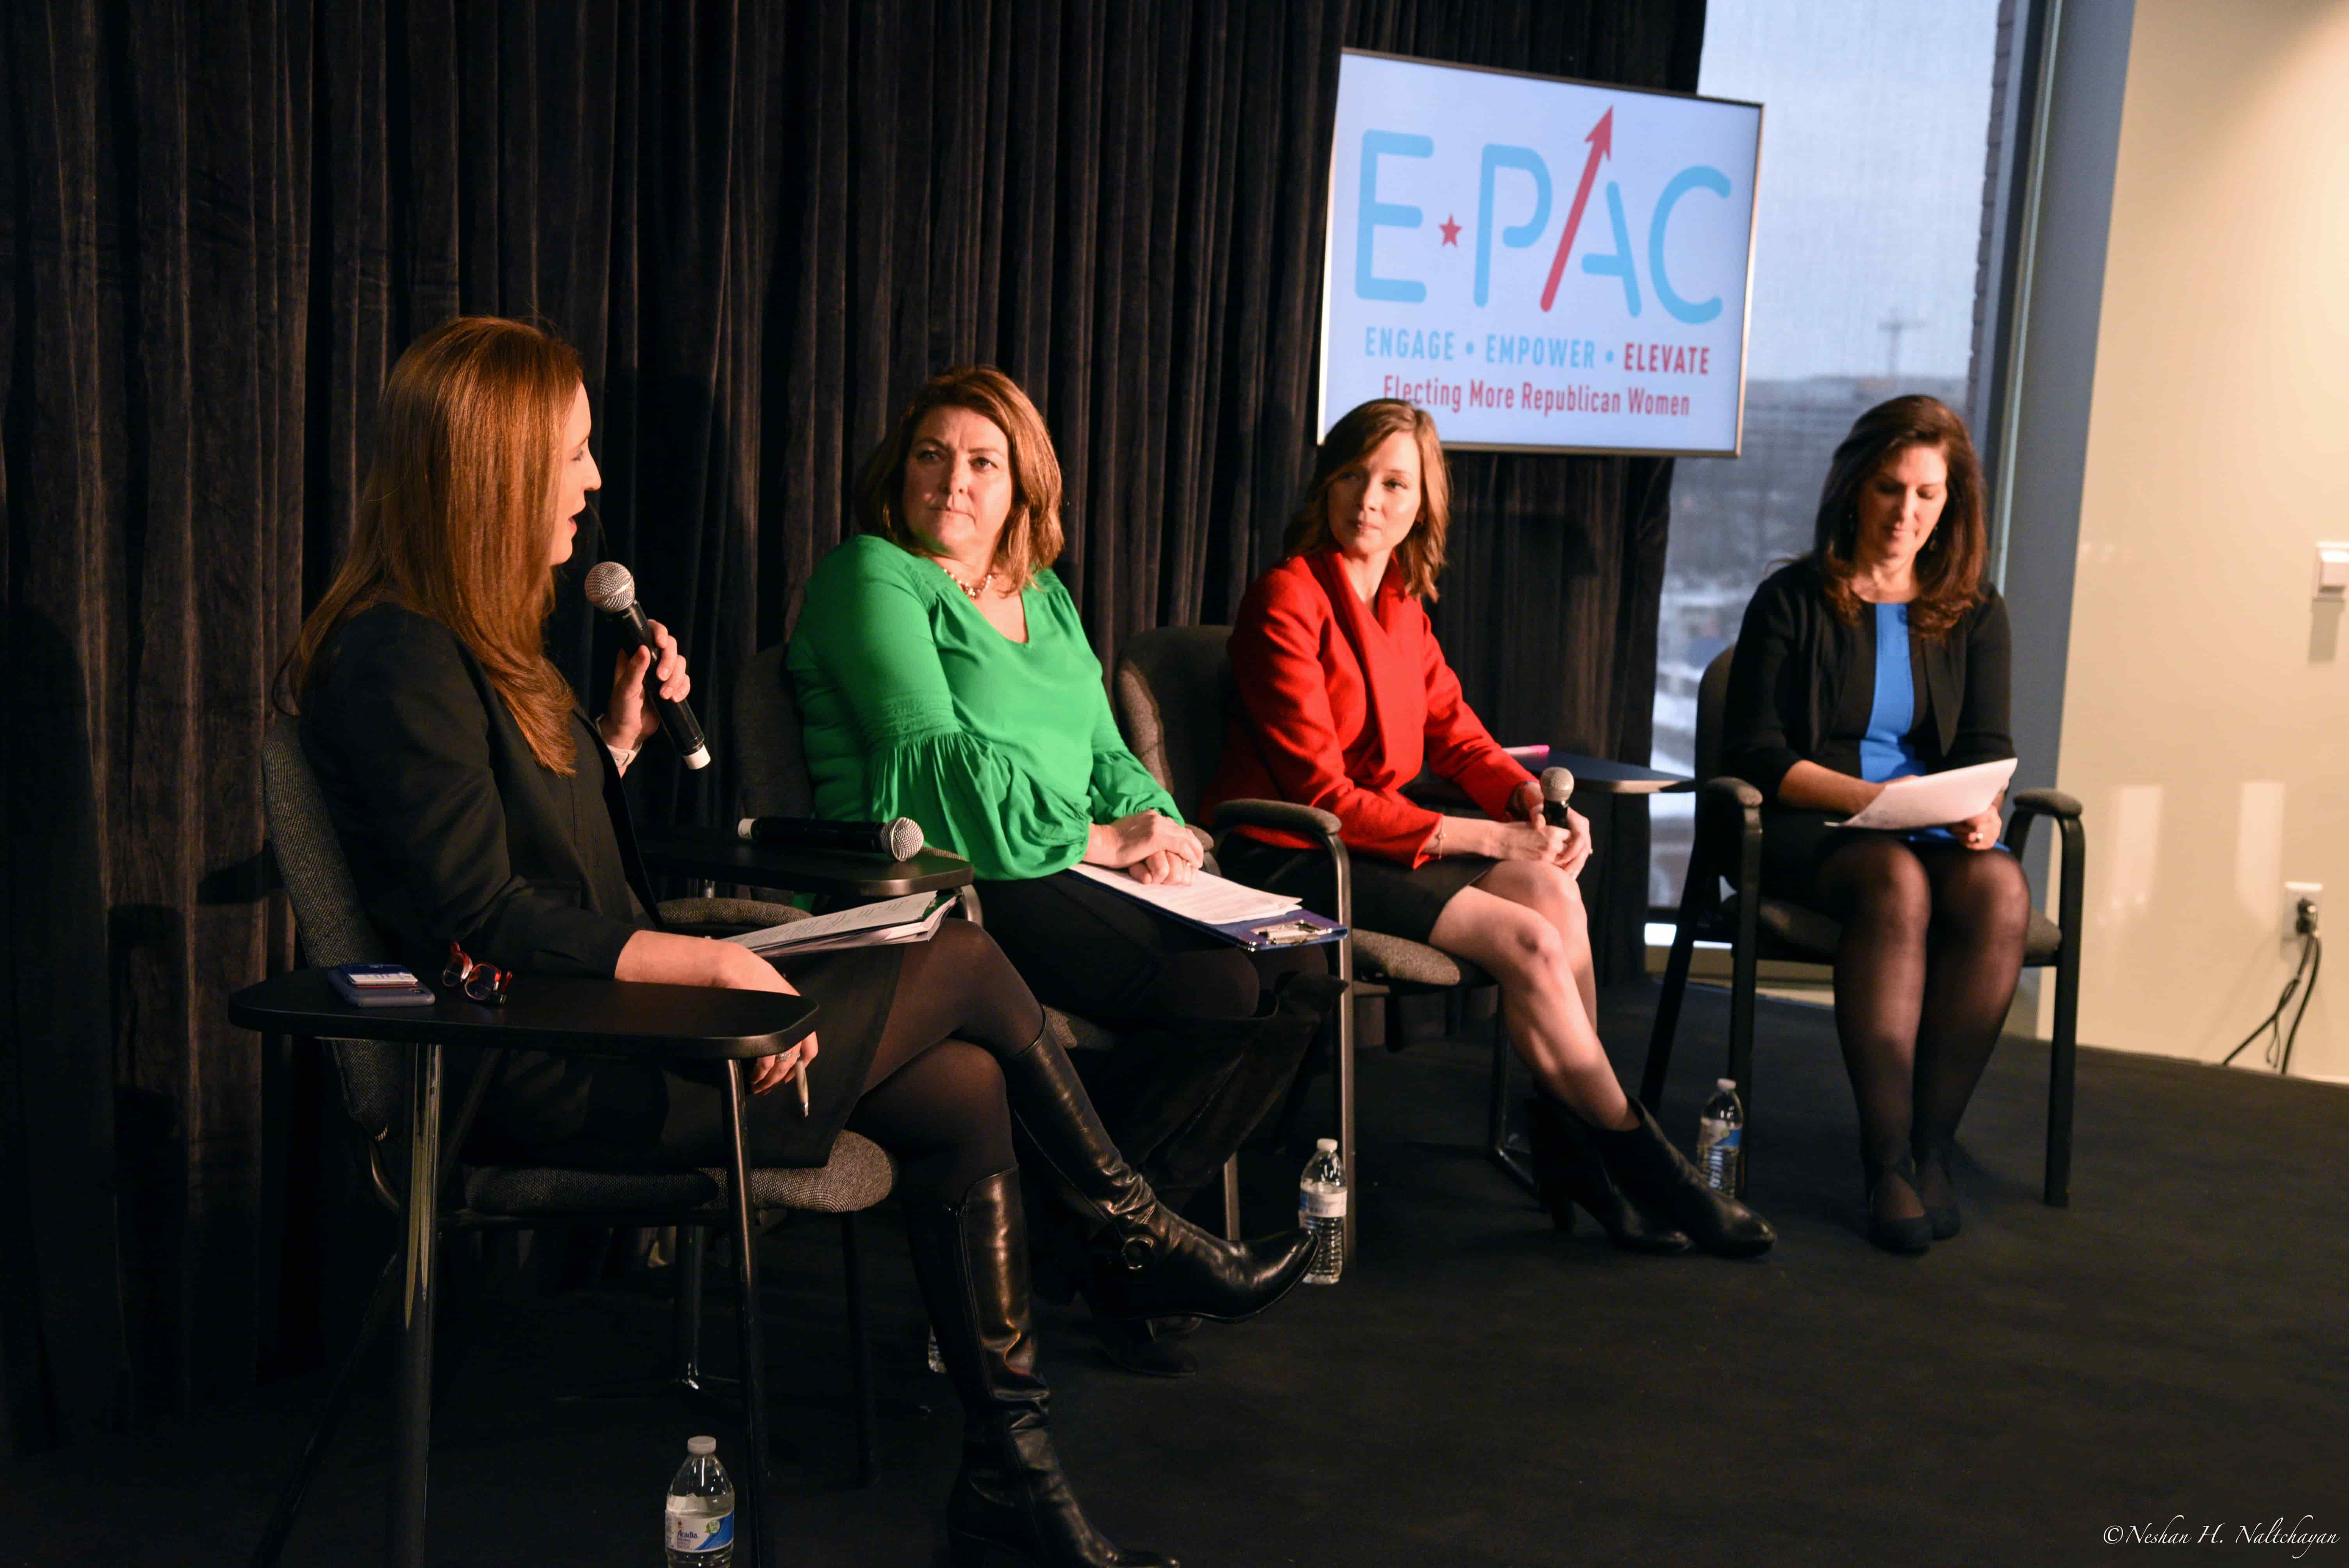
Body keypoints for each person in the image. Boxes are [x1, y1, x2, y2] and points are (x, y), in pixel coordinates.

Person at [282, 317, 1312, 1568]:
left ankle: (1016, 1475)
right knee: (965, 955)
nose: (596, 483)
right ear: (493, 468)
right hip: (540, 1067)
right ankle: (1125, 1231)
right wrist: (714, 965)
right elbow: (478, 918)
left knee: (966, 1085)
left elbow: (534, 861)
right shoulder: (395, 651)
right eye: (575, 455)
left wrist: (612, 743)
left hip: (619, 1028)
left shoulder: (492, 641)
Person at [787, 365, 1344, 1375]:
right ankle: (1122, 1243)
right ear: (897, 469)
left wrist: (1154, 819)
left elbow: (1105, 755)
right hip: (950, 882)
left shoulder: (1042, 595)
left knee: (1303, 970)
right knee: (1214, 986)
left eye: (983, 462)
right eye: (932, 454)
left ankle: (1101, 1241)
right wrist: (1100, 840)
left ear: (1022, 490)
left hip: (1068, 866)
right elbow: (934, 768)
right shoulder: (873, 574)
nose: (954, 480)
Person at [1206, 397, 1775, 1259]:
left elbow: (1459, 734)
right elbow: (1323, 794)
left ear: (1422, 505)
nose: (1369, 499)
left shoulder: (1401, 605)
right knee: (1533, 944)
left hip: (1380, 840)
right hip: (1295, 853)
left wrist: (1526, 805)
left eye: (1394, 483)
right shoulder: (1286, 598)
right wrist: (1485, 838)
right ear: (1326, 485)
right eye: (1354, 476)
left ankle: (1573, 1144)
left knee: (1552, 888)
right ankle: (1648, 1167)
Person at [1720, 393, 2028, 1254]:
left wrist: (1980, 812)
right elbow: (1754, 754)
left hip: (1923, 829)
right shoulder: (1789, 599)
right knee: (1892, 880)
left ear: (1949, 503)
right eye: (1891, 489)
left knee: (2000, 886)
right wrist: (1863, 803)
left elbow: (1984, 748)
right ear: (1855, 488)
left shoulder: (1974, 611)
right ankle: (1884, 1158)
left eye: (1927, 495)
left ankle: (1933, 1147)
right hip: (1814, 829)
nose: (1906, 513)